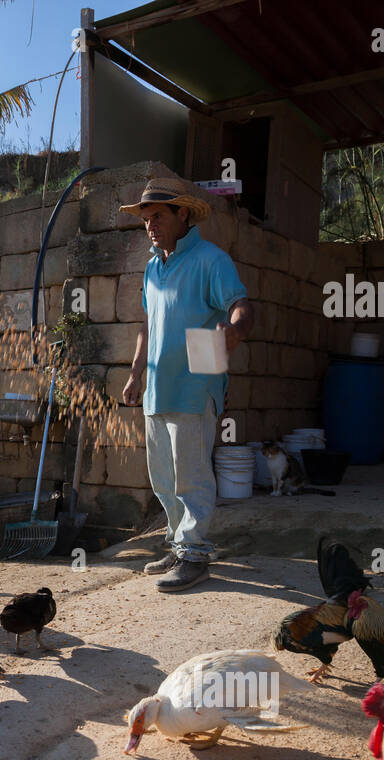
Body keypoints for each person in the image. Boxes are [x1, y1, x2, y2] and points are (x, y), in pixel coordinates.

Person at [119, 177, 255, 593]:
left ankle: (196, 554)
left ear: (183, 215)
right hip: (159, 385)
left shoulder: (211, 260)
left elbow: (241, 307)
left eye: (158, 215)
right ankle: (180, 545)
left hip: (197, 382)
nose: (150, 224)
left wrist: (232, 334)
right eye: (145, 218)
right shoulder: (152, 268)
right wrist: (135, 373)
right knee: (163, 476)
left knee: (191, 474)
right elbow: (147, 325)